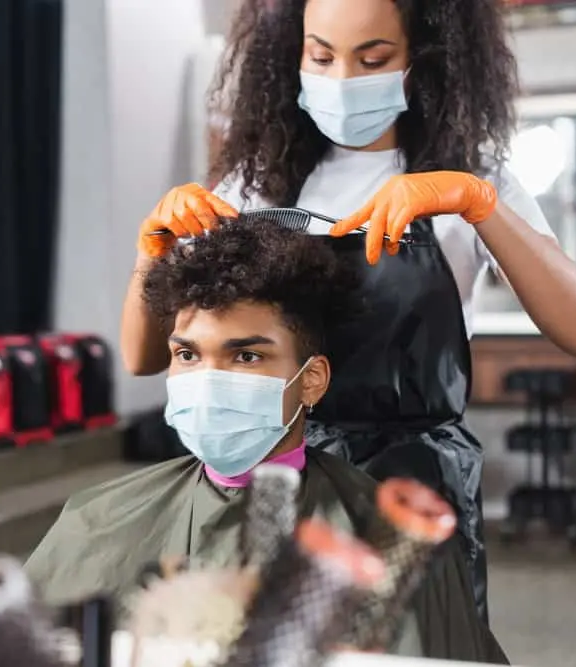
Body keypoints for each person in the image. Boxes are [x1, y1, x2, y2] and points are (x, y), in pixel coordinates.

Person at [119, 0, 576, 622]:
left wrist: (475, 202)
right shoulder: (257, 185)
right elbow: (142, 357)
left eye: (373, 58)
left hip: (409, 489)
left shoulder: (473, 180)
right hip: (273, 475)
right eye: (320, 56)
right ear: (291, 54)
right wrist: (151, 249)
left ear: (420, 61)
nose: (343, 80)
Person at [25, 221, 506, 663]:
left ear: (312, 380)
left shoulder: (389, 554)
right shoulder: (96, 522)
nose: (208, 380)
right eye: (188, 354)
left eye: (247, 356)